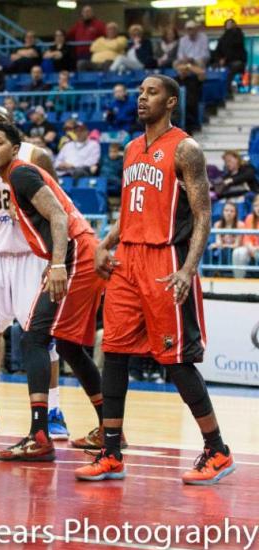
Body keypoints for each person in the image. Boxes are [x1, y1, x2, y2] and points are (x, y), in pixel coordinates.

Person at [76, 75, 235, 485]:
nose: (141, 97)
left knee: (177, 361)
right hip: (127, 260)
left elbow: (203, 216)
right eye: (140, 91)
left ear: (171, 102)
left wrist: (188, 269)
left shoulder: (186, 148)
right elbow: (129, 210)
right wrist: (104, 244)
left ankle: (216, 449)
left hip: (166, 261)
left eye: (151, 92)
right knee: (114, 351)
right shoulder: (131, 148)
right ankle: (111, 452)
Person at [0, 122, 108, 461]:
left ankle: (39, 434)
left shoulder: (22, 173)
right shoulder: (15, 178)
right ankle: (111, 428)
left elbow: (57, 216)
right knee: (65, 344)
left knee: (34, 338)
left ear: (15, 148)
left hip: (76, 256)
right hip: (81, 254)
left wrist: (56, 265)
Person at [0, 105, 69, 440]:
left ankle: (53, 411)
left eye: (0, 121)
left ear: (12, 127)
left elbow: (57, 205)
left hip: (29, 256)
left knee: (40, 338)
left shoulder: (36, 155)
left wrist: (55, 259)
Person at [214, 19, 247, 94]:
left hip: (236, 60)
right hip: (224, 62)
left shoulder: (238, 35)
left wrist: (225, 58)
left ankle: (227, 92)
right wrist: (219, 59)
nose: (229, 25)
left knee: (228, 73)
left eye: (231, 23)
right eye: (227, 24)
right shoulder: (223, 37)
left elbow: (235, 48)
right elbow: (218, 50)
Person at [232, 195, 259, 278]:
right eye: (256, 205)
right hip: (251, 248)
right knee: (238, 252)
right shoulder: (249, 218)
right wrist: (250, 247)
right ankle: (239, 280)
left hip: (257, 248)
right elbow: (246, 237)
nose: (258, 208)